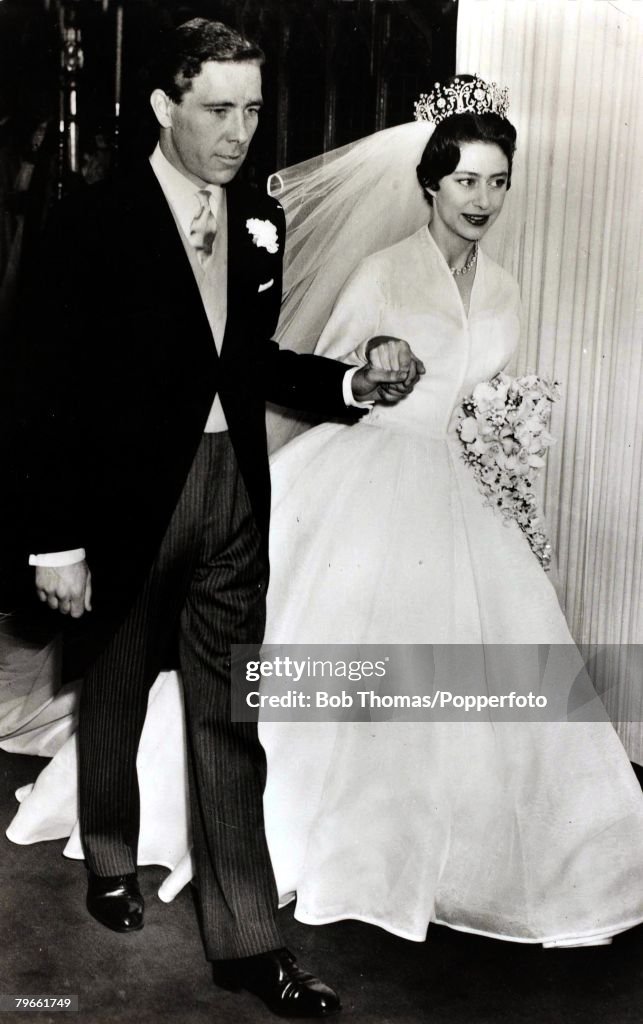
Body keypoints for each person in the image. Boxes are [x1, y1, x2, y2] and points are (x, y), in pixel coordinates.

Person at [7, 73, 643, 975]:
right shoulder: (383, 271)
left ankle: (445, 856)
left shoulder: (502, 289)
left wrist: (499, 444)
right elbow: (301, 369)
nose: (481, 200)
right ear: (428, 182)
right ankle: (208, 861)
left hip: (460, 504)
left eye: (497, 182)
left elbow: (473, 395)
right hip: (365, 484)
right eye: (464, 180)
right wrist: (357, 379)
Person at [3, 18, 424, 1019]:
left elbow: (249, 362)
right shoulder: (90, 221)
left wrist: (352, 381)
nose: (241, 133)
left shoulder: (252, 224)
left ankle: (247, 942)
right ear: (164, 106)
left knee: (230, 718)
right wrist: (54, 538)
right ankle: (111, 854)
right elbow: (35, 389)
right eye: (218, 110)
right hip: (118, 500)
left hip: (233, 489)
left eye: (253, 110)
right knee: (107, 680)